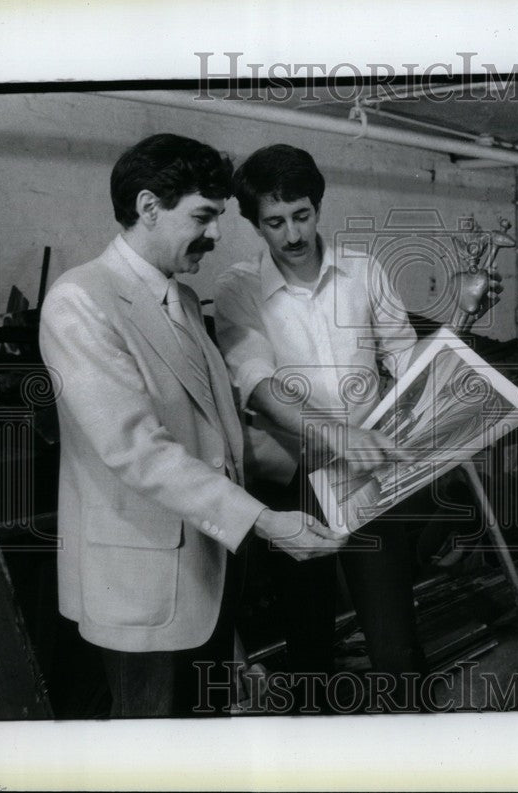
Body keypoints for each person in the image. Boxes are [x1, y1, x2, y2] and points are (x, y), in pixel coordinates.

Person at [38, 134, 342, 718]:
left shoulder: (179, 297)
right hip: (143, 585)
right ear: (150, 207)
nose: (216, 234)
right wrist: (265, 520)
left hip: (208, 570)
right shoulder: (80, 300)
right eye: (203, 216)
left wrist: (322, 463)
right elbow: (137, 450)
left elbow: (219, 432)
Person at [213, 143, 501, 712]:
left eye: (302, 216)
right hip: (293, 484)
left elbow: (409, 364)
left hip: (370, 480)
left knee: (396, 644)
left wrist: (464, 320)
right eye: (274, 223)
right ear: (253, 223)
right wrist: (339, 435)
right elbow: (258, 387)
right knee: (308, 647)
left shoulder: (365, 272)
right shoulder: (237, 289)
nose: (292, 235)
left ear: (318, 207)